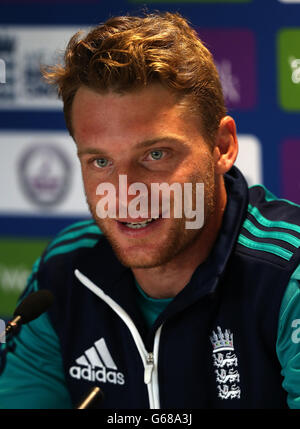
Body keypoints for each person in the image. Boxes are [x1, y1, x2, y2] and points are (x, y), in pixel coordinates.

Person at [0, 11, 300, 410]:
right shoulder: (63, 272)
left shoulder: (288, 277)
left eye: (155, 154)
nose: (125, 192)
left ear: (222, 146)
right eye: (101, 162)